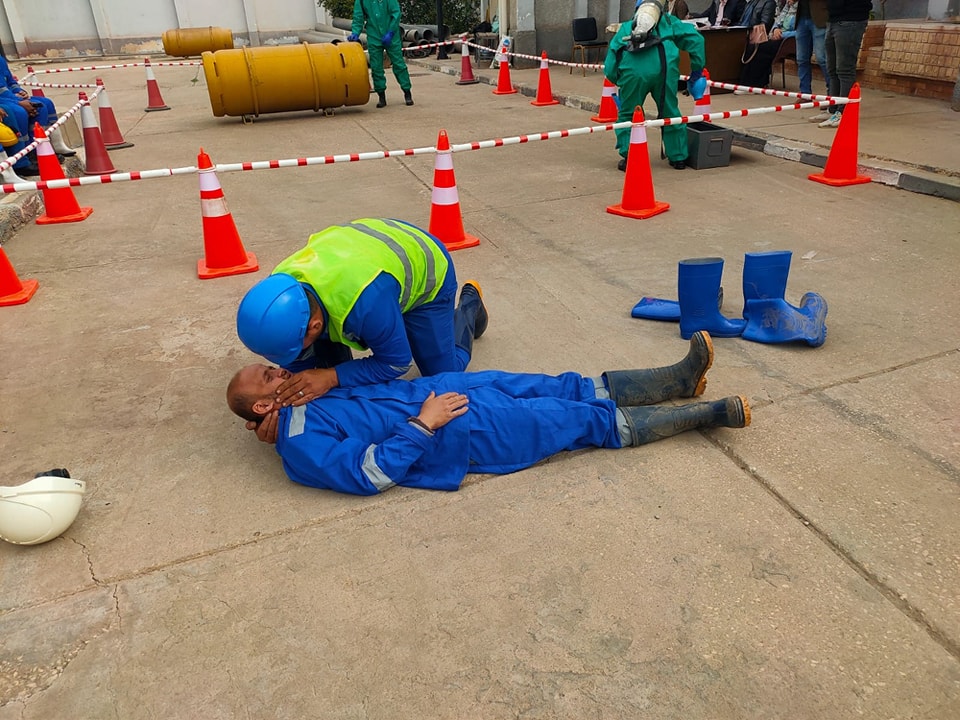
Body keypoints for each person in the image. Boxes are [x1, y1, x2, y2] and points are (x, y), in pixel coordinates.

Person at [226, 331, 751, 496]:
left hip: (449, 390)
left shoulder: (301, 393)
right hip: (457, 432)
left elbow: (365, 375)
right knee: (573, 419)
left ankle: (678, 380)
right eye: (268, 376)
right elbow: (368, 473)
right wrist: (423, 424)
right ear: (264, 405)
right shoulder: (300, 442)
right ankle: (702, 415)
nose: (280, 370)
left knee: (563, 386)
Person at [236, 218, 488, 419]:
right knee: (335, 383)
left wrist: (331, 376)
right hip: (366, 253)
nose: (284, 368)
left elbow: (396, 364)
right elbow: (303, 376)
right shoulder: (280, 292)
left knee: (444, 378)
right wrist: (282, 408)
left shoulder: (366, 302)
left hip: (424, 265)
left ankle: (470, 304)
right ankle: (390, 324)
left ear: (315, 326)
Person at [604, 0, 707, 171]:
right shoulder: (670, 23)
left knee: (629, 113)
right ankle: (678, 157)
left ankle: (630, 156)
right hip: (666, 71)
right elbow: (696, 40)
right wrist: (696, 71)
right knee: (670, 111)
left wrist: (619, 81)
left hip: (633, 74)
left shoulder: (626, 28)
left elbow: (610, 65)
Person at [347, 0, 413, 108]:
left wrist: (391, 31)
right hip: (374, 35)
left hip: (391, 35)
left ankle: (407, 92)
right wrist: (355, 32)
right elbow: (358, 17)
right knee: (376, 67)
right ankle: (381, 95)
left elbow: (396, 13)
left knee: (399, 64)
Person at [818, 0, 871, 129]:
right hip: (833, 19)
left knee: (844, 69)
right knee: (832, 69)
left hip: (851, 20)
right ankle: (833, 109)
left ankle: (843, 112)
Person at [737, 0, 798, 90]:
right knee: (753, 46)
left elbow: (801, 31)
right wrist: (775, 29)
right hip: (776, 37)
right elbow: (777, 21)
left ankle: (756, 84)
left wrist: (782, 34)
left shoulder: (801, 10)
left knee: (761, 48)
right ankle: (746, 82)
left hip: (788, 40)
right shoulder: (787, 6)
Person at [795, 0, 833, 121]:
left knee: (822, 59)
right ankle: (805, 93)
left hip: (819, 18)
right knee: (801, 58)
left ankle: (832, 95)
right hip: (801, 18)